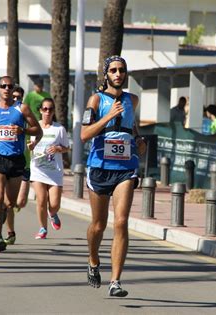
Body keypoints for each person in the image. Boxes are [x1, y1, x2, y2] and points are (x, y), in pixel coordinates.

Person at [80, 55, 146, 297]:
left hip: (125, 168)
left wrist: (138, 140)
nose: (118, 74)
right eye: (114, 70)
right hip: (99, 166)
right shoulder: (96, 100)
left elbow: (131, 125)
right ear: (106, 74)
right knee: (99, 225)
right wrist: (107, 117)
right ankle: (93, 259)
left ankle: (115, 281)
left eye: (122, 70)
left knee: (120, 221)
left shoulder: (132, 100)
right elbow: (84, 135)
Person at [0, 76, 42, 252]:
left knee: (9, 203)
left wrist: (24, 130)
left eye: (9, 86)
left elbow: (38, 130)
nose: (6, 88)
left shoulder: (22, 109)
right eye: (3, 86)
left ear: (13, 90)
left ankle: (4, 224)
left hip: (15, 159)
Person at [30, 98, 70, 239]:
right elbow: (28, 144)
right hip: (38, 170)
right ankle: (42, 228)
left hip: (54, 171)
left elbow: (67, 148)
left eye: (50, 109)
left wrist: (58, 148)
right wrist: (30, 146)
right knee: (41, 199)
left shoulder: (59, 129)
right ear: (40, 110)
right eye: (45, 109)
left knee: (54, 204)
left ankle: (52, 213)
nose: (47, 112)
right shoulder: (34, 128)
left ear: (53, 111)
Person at [2, 86, 29, 246]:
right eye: (14, 96)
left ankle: (11, 208)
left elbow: (37, 130)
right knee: (7, 202)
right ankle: (10, 232)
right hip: (5, 161)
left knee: (21, 202)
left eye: (19, 96)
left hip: (23, 160)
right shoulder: (2, 111)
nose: (16, 98)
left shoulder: (24, 112)